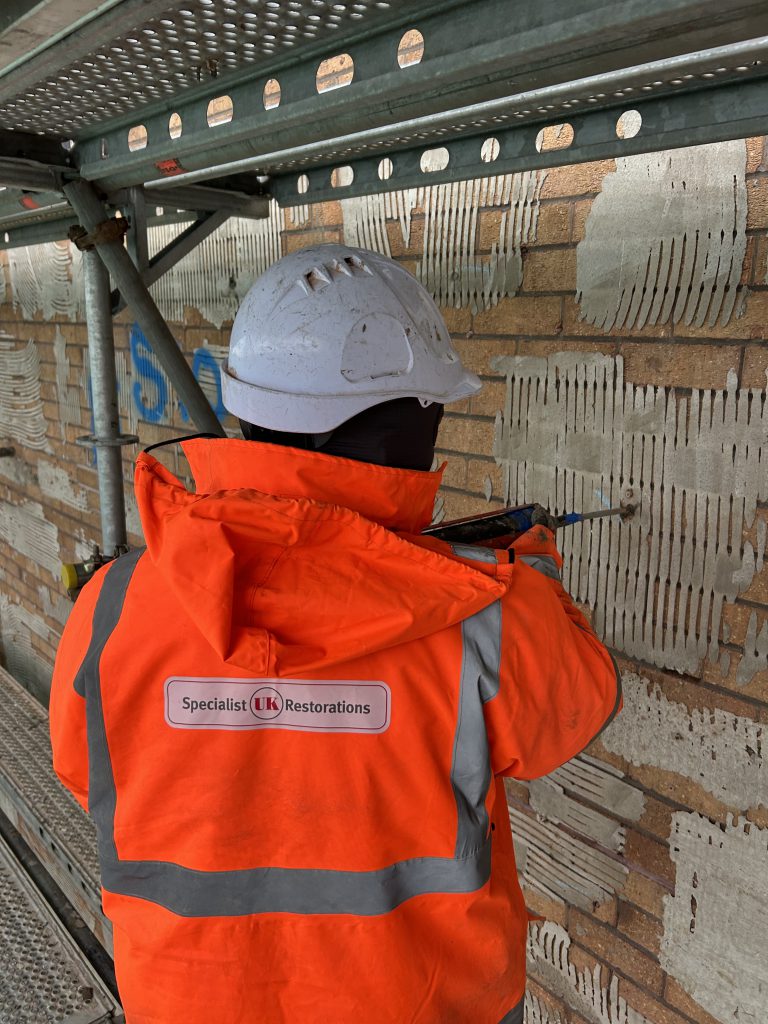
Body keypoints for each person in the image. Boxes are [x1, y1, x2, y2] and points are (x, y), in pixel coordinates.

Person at [49, 244, 621, 1024]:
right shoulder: (487, 611)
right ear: (398, 433)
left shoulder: (109, 608)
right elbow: (575, 710)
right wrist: (533, 573)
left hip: (188, 1002)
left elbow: (88, 776)